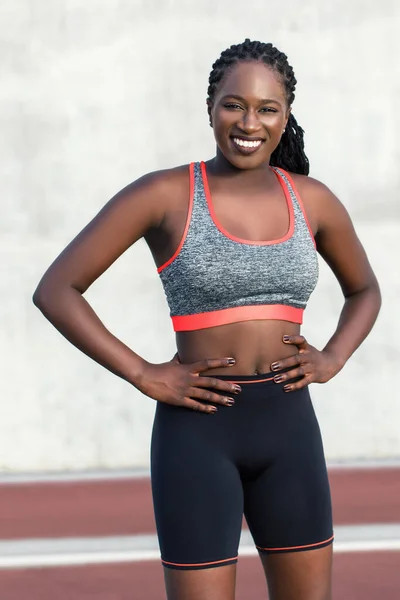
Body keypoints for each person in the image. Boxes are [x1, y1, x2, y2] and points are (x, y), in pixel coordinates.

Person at [33, 39, 381, 600]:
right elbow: (57, 289)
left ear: (286, 115)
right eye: (233, 104)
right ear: (210, 108)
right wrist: (144, 373)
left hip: (289, 429)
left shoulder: (312, 200)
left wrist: (334, 356)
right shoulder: (166, 194)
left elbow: (364, 290)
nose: (250, 122)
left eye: (267, 108)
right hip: (198, 433)